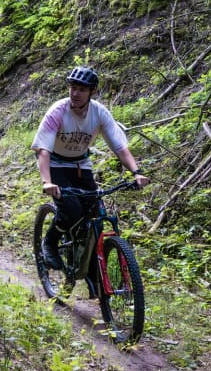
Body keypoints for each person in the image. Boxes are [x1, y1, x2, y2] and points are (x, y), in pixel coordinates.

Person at [31, 65, 150, 269]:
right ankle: (49, 243)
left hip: (81, 164)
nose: (75, 93)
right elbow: (43, 149)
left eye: (82, 89)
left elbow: (120, 148)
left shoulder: (99, 113)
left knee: (93, 211)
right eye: (73, 88)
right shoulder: (58, 111)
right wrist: (47, 182)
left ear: (91, 92)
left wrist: (137, 172)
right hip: (56, 164)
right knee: (71, 209)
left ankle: (87, 266)